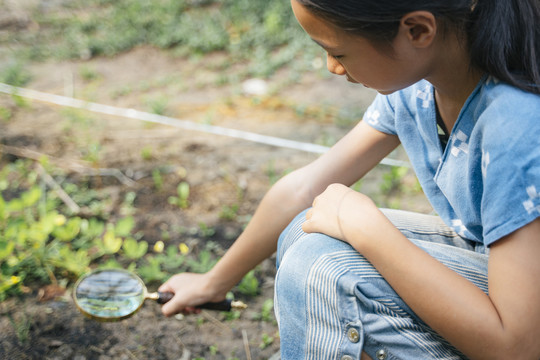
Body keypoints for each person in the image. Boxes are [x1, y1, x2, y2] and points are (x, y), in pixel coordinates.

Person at [159, 0, 540, 358]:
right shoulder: (421, 90)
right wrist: (213, 282)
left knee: (323, 265)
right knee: (304, 234)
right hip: (497, 273)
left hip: (520, 330)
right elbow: (305, 188)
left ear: (418, 31)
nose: (332, 67)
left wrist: (371, 232)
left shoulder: (516, 122)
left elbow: (519, 347)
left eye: (338, 52)